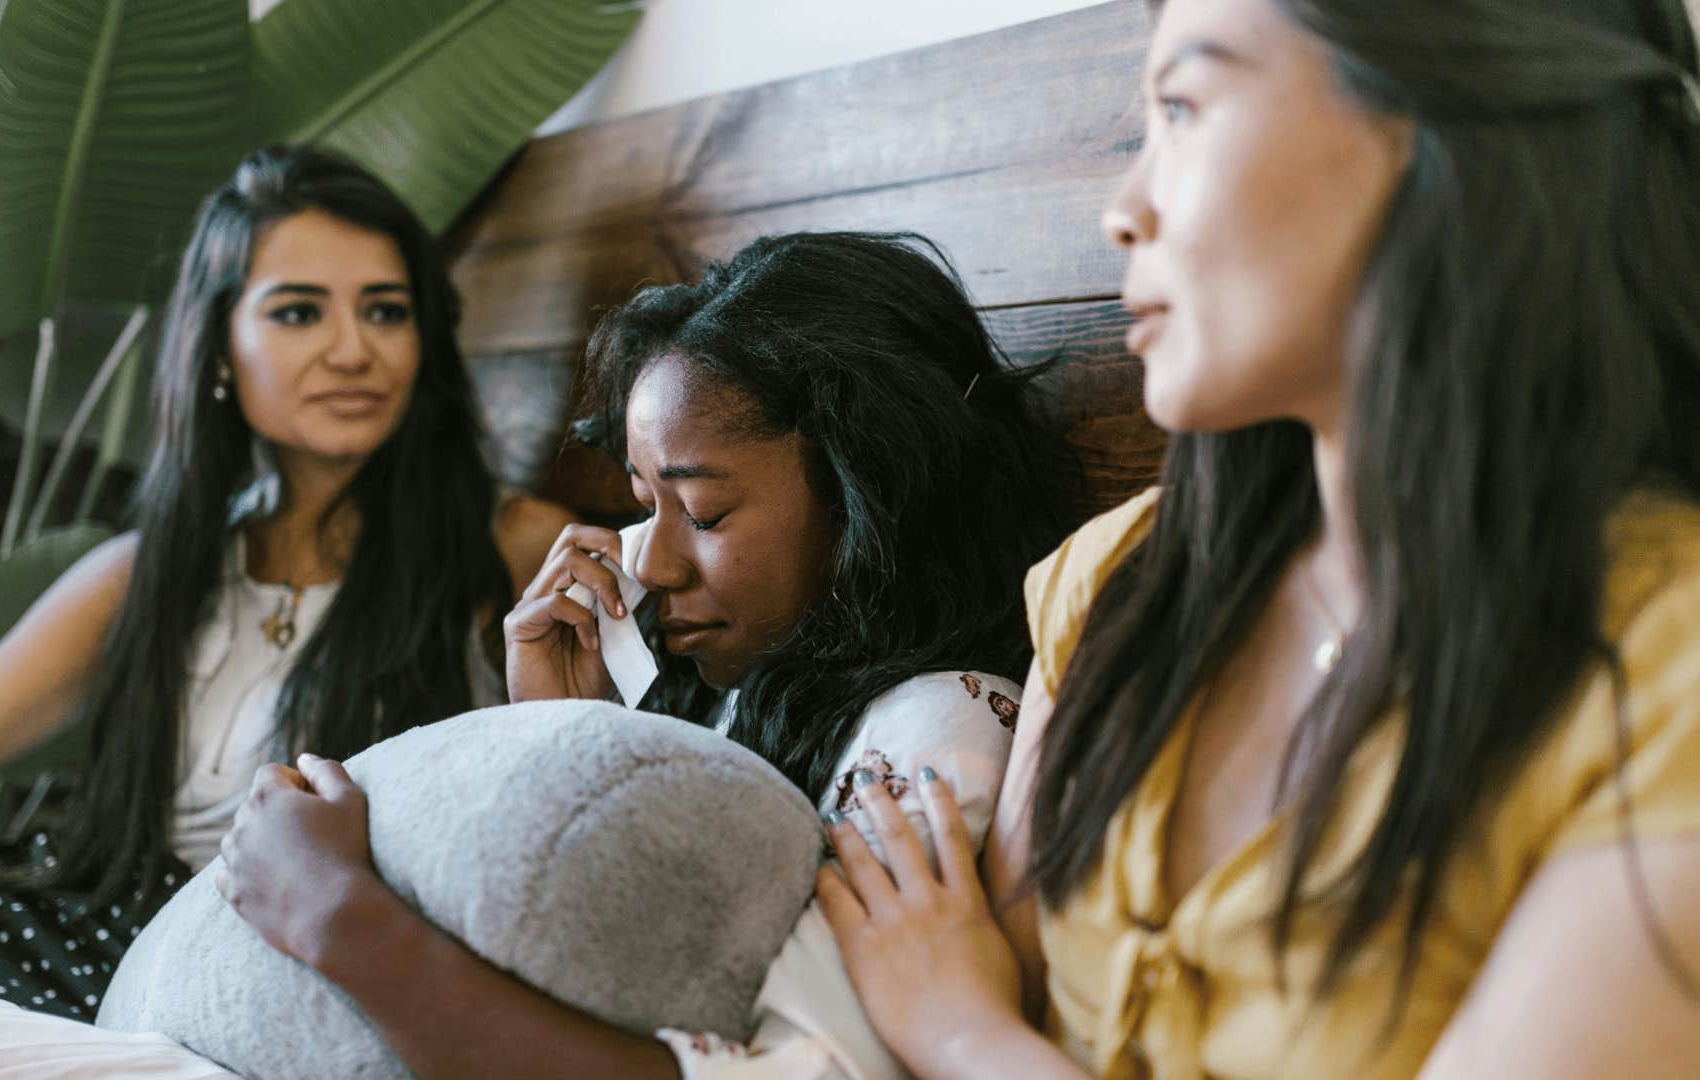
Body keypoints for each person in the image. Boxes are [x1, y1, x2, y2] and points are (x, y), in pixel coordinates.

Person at [817, 0, 1700, 1076]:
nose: (1124, 209)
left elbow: (971, 1003)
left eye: (1184, 108)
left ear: (1440, 121)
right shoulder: (1120, 580)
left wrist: (960, 1033)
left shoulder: (1668, 676)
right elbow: (1013, 978)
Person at [213, 230, 1083, 1077]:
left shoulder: (936, 733)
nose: (655, 565)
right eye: (643, 504)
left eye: (701, 513)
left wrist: (333, 917)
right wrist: (572, 736)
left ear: (874, 497)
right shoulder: (747, 691)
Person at [0, 144, 571, 1021]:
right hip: (104, 935)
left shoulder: (512, 546)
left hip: (301, 962)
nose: (354, 350)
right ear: (222, 350)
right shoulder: (144, 573)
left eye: (386, 311)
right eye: (300, 312)